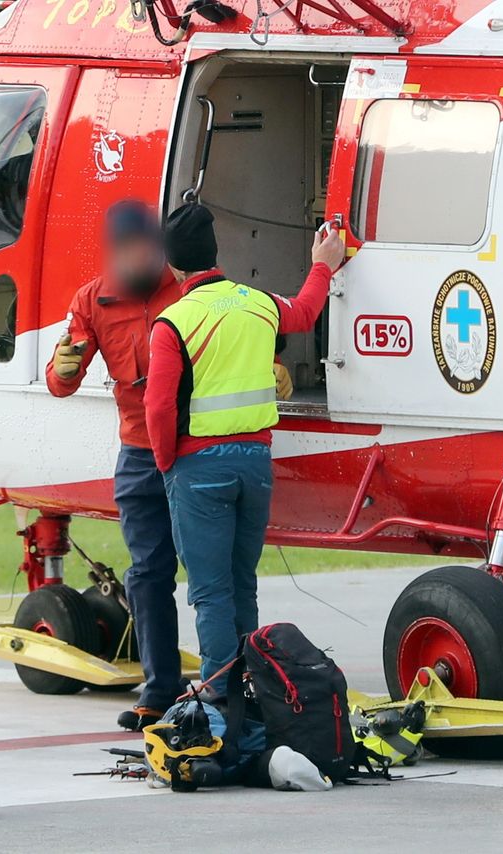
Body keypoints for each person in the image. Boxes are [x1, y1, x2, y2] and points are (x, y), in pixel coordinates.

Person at [144, 203, 345, 696]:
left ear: (173, 266)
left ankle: (219, 693)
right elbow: (305, 312)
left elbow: (157, 408)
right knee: (242, 584)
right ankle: (250, 683)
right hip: (255, 464)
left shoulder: (173, 323)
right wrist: (324, 264)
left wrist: (168, 462)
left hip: (198, 468)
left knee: (210, 592)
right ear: (216, 254)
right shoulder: (257, 302)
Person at [44, 200, 185, 732]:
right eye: (126, 249)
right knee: (147, 574)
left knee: (212, 575)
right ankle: (160, 690)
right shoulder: (92, 300)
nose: (136, 258)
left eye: (145, 247)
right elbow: (63, 384)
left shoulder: (189, 289)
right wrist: (62, 368)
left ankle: (226, 686)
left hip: (193, 452)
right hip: (139, 453)